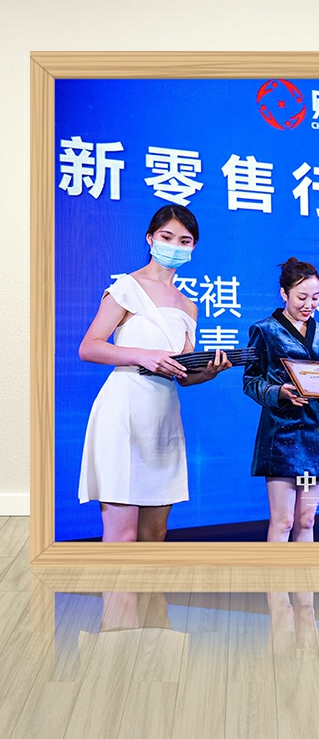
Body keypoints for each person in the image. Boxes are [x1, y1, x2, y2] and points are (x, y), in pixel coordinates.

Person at [78, 205, 231, 542]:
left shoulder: (189, 305)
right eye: (166, 237)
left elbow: (184, 374)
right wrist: (145, 356)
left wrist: (210, 372)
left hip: (163, 416)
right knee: (122, 535)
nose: (175, 246)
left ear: (193, 247)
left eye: (184, 240)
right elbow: (89, 347)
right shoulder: (126, 287)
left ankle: (148, 580)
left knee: (155, 532)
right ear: (150, 238)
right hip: (124, 409)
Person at [243, 258, 319, 542]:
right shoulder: (264, 330)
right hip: (282, 434)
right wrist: (278, 392)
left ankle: (304, 572)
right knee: (283, 522)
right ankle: (276, 573)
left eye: (315, 298)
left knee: (307, 519)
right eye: (302, 297)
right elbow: (251, 381)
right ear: (284, 293)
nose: (309, 304)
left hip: (317, 432)